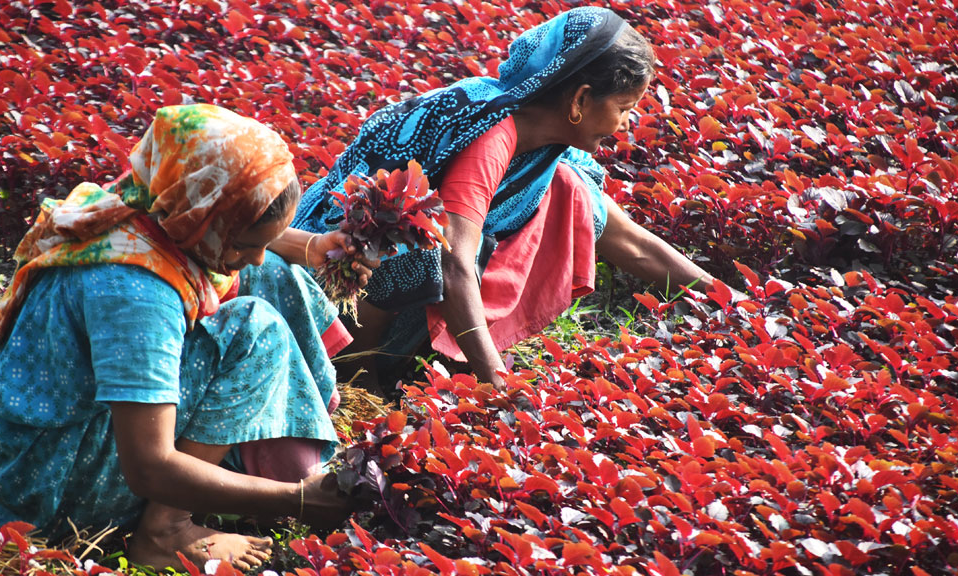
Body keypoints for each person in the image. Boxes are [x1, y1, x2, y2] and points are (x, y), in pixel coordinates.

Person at [0, 104, 372, 572]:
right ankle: (166, 530)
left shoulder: (137, 203)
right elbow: (149, 466)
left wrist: (308, 246)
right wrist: (294, 500)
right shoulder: (136, 292)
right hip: (46, 496)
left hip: (38, 449)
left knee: (274, 273)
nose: (251, 258)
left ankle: (256, 448)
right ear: (203, 214)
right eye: (242, 243)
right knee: (253, 331)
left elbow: (253, 247)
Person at [291, 7, 718, 394]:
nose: (625, 124)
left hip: (379, 295)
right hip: (328, 295)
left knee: (573, 190)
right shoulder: (492, 136)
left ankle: (405, 360)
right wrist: (498, 385)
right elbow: (453, 265)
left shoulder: (546, 149)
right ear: (580, 99)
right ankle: (360, 375)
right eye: (624, 107)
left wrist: (726, 300)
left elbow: (632, 242)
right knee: (422, 248)